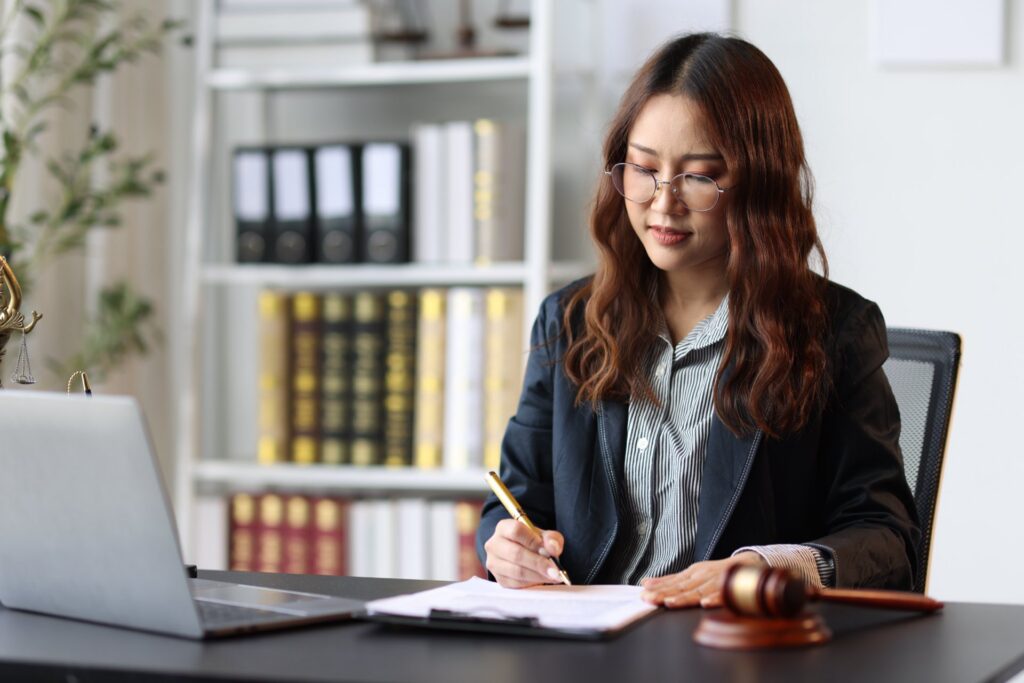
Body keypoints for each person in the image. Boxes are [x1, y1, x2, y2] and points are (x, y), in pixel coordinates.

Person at [476, 32, 920, 608]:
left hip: (733, 649)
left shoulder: (833, 331)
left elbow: (888, 540)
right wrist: (507, 545)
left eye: (699, 176)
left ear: (757, 181)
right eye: (643, 169)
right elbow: (516, 499)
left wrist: (772, 567)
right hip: (582, 647)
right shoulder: (569, 322)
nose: (664, 202)